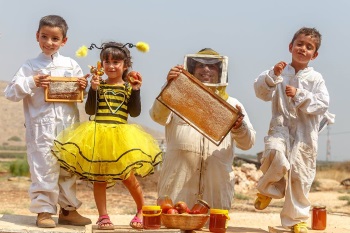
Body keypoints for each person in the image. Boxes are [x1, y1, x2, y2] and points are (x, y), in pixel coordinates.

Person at [51, 41, 162, 230]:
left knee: (128, 176)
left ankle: (142, 210)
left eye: (116, 62)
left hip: (121, 137)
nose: (111, 66)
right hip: (98, 136)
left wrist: (136, 90)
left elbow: (134, 112)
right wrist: (93, 89)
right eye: (107, 62)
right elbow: (90, 109)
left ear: (125, 65)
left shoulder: (128, 87)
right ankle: (103, 216)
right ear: (101, 65)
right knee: (99, 178)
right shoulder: (99, 85)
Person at [4, 15, 91, 228]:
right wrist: (31, 82)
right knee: (44, 168)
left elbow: (82, 94)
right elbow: (10, 93)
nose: (49, 42)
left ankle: (68, 211)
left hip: (68, 127)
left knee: (68, 169)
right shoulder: (30, 66)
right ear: (37, 36)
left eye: (54, 38)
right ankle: (44, 211)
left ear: (64, 41)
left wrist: (82, 86)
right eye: (45, 37)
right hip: (41, 128)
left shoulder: (71, 65)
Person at [149, 48, 256, 210]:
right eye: (200, 65)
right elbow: (157, 116)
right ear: (192, 70)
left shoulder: (233, 105)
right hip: (177, 186)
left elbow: (247, 143)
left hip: (216, 188)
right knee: (175, 225)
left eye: (212, 66)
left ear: (221, 72)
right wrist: (169, 86)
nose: (206, 69)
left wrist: (239, 127)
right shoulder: (176, 96)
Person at [253, 27, 335, 233]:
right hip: (280, 127)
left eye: (309, 47)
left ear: (314, 55)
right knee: (274, 152)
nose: (303, 49)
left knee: (300, 175)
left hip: (305, 135)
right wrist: (273, 76)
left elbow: (322, 104)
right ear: (291, 46)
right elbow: (261, 92)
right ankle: (268, 189)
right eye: (299, 44)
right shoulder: (279, 71)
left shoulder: (316, 79)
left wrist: (300, 94)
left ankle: (296, 220)